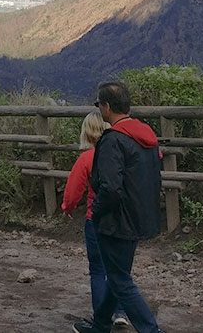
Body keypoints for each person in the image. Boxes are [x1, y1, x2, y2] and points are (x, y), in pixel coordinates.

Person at [73, 82, 164, 333]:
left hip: (115, 221)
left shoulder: (113, 140)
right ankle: (101, 325)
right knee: (116, 274)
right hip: (139, 217)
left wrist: (97, 211)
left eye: (99, 105)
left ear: (107, 106)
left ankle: (151, 330)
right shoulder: (147, 136)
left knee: (121, 280)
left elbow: (110, 187)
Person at [62, 112, 129, 328]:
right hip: (124, 219)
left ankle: (102, 319)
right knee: (119, 269)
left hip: (96, 219)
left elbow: (73, 190)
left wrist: (68, 207)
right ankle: (120, 312)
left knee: (99, 270)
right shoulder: (122, 153)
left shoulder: (87, 158)